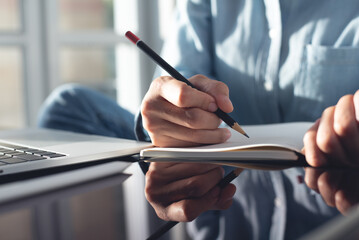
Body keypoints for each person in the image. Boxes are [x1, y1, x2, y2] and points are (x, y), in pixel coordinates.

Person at [38, 0, 359, 239]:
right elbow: (175, 83)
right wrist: (169, 111)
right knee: (67, 105)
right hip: (211, 161)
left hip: (326, 187)